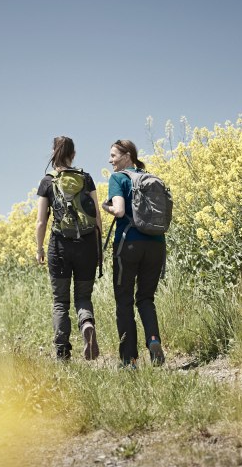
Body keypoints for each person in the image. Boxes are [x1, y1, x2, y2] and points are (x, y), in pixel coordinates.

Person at [36, 136, 102, 361]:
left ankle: (63, 353)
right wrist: (98, 247)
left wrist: (39, 249)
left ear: (54, 152)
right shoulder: (86, 177)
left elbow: (41, 222)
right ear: (73, 154)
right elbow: (97, 217)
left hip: (60, 247)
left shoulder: (48, 181)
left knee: (60, 301)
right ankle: (86, 324)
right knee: (83, 296)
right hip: (86, 246)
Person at [101, 139, 166, 367]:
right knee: (146, 298)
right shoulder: (151, 178)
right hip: (156, 245)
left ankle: (130, 360)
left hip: (129, 244)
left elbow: (119, 211)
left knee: (124, 301)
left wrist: (105, 207)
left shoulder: (118, 178)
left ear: (127, 155)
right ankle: (153, 340)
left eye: (113, 155)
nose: (110, 160)